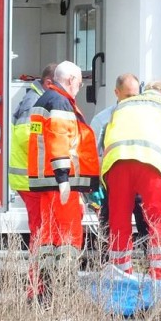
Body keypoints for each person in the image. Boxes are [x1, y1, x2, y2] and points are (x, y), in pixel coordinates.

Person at [27, 61, 100, 300]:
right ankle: (64, 289)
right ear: (70, 80)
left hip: (46, 183)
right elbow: (58, 140)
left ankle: (45, 291)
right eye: (79, 82)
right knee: (68, 237)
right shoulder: (59, 103)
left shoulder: (44, 101)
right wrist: (63, 177)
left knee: (49, 238)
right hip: (59, 183)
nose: (79, 88)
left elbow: (41, 141)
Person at [102, 80, 161, 280]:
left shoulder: (122, 105)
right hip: (152, 163)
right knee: (158, 221)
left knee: (119, 220)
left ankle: (120, 275)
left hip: (117, 162)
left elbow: (108, 136)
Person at [88, 74, 148, 240]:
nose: (132, 100)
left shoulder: (146, 118)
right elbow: (92, 153)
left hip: (141, 182)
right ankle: (109, 261)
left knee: (147, 227)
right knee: (112, 228)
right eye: (128, 96)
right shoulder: (103, 119)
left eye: (135, 96)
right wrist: (95, 185)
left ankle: (150, 262)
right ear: (116, 92)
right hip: (114, 183)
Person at [9, 63, 57, 247]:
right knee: (41, 228)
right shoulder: (34, 102)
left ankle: (39, 273)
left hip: (32, 177)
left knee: (42, 227)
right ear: (48, 83)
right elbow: (25, 138)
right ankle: (37, 275)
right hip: (28, 179)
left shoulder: (38, 98)